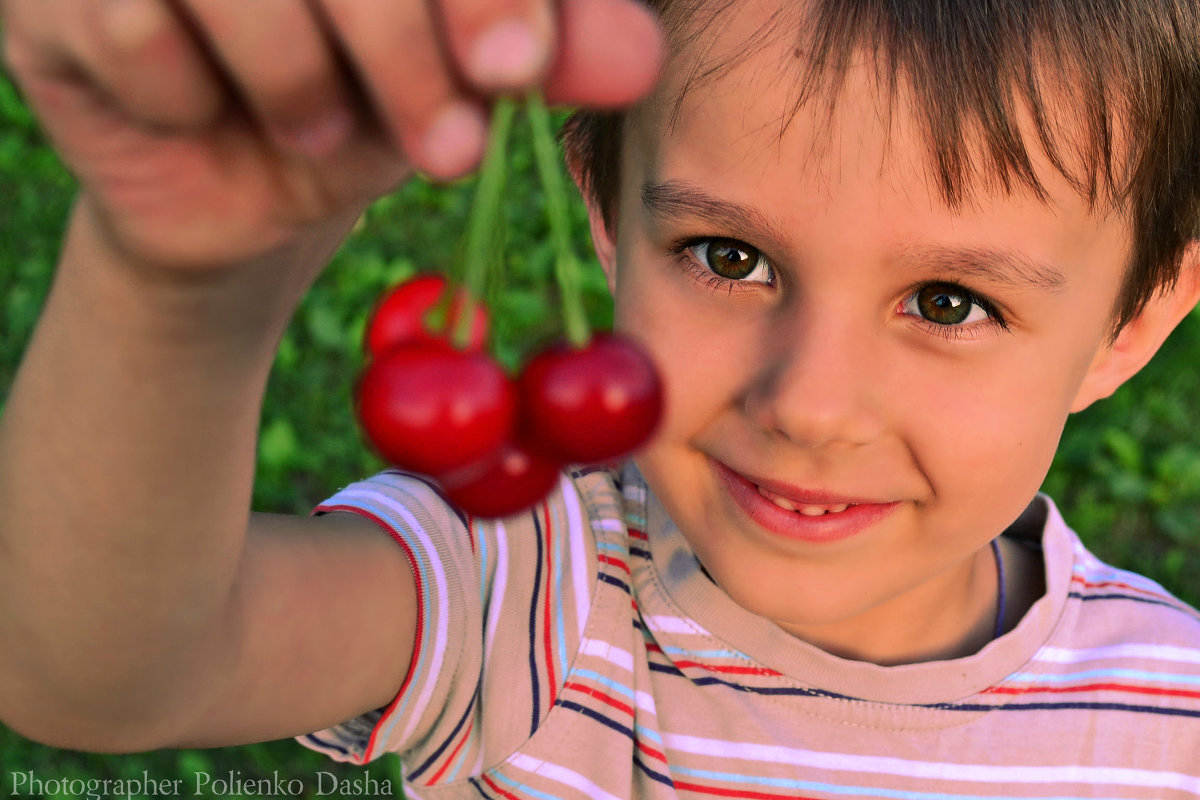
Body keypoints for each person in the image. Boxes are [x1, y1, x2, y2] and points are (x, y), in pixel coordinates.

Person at [1, 0, 1199, 796]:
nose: (810, 404)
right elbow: (96, 671)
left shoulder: (1175, 716)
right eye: (730, 258)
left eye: (948, 302)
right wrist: (180, 293)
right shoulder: (541, 595)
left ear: (1132, 319)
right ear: (603, 211)